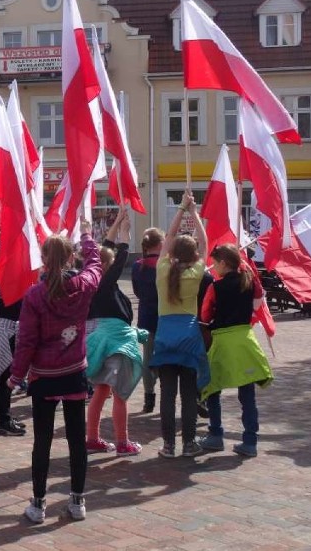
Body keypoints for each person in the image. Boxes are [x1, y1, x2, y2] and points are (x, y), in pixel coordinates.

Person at [9, 218, 102, 524]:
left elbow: (27, 340)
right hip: (74, 370)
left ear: (44, 259)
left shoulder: (35, 295)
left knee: (43, 441)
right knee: (77, 439)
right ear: (70, 257)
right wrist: (87, 236)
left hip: (44, 376)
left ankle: (38, 504)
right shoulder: (83, 285)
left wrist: (16, 375)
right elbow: (96, 264)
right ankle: (77, 501)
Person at [150, 190, 210, 459]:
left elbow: (169, 239)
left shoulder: (163, 270)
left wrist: (181, 210)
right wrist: (194, 213)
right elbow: (205, 243)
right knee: (188, 394)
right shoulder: (197, 272)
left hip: (165, 336)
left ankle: (168, 445)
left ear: (172, 252)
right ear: (194, 254)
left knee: (167, 395)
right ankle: (188, 443)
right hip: (188, 335)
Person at [198, 244, 273, 458]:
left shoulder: (215, 286)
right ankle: (250, 440)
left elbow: (204, 315)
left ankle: (215, 435)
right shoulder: (250, 282)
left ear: (223, 263)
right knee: (247, 394)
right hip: (245, 341)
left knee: (212, 389)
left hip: (222, 341)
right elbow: (258, 305)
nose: (212, 268)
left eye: (214, 263)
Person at [85, 210, 148, 457]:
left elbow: (105, 251)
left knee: (101, 391)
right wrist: (125, 238)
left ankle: (92, 438)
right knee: (120, 394)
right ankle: (122, 443)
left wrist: (118, 223)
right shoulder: (102, 281)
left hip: (101, 341)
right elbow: (118, 259)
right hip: (115, 343)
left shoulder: (90, 276)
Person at [0, 247, 27, 437]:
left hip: (6, 328)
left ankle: (5, 414)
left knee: (5, 378)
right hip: (8, 329)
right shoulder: (2, 281)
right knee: (5, 379)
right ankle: (3, 418)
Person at [131, 227, 164, 413]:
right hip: (165, 317)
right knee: (165, 358)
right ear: (161, 244)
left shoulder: (137, 266)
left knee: (147, 358)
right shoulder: (165, 264)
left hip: (146, 316)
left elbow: (136, 292)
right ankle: (164, 391)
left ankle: (148, 397)